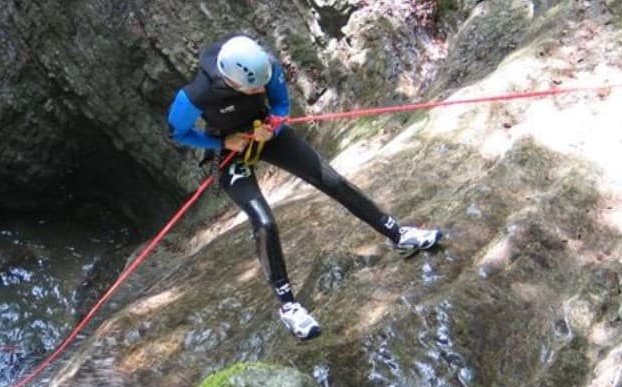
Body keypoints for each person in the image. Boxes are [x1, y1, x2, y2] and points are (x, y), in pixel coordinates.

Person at [167, 33, 441, 340]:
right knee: (264, 221)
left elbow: (282, 105)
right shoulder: (195, 96)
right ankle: (289, 307)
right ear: (232, 82)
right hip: (230, 149)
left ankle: (398, 235)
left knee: (332, 181)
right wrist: (221, 141)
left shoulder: (266, 64)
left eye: (262, 84)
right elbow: (178, 133)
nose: (260, 89)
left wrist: (274, 125)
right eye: (253, 88)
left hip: (265, 133)